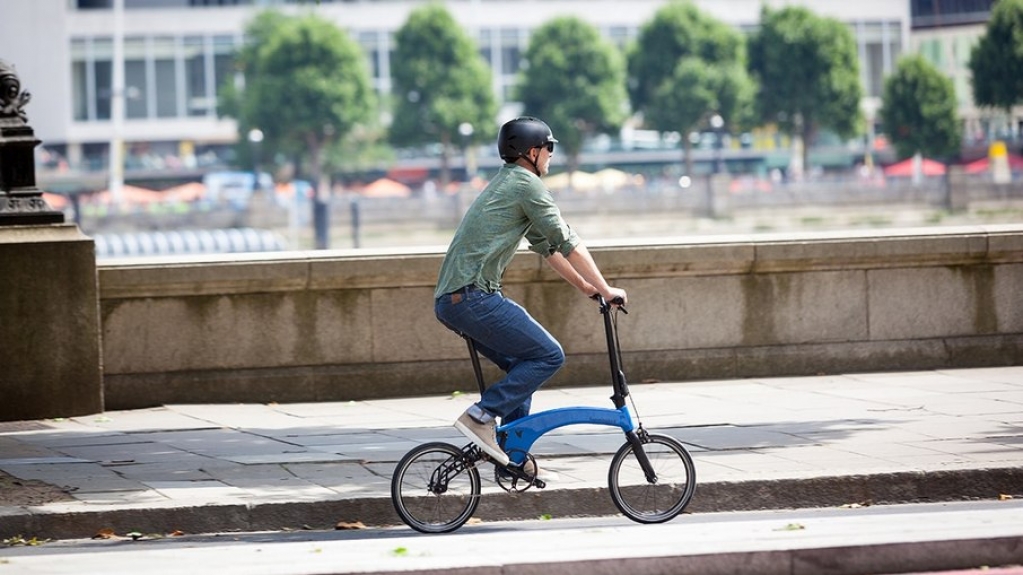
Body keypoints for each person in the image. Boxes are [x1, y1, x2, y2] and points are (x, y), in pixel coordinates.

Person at [434, 116, 628, 478]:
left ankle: (511, 459)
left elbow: (546, 246)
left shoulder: (508, 182)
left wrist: (585, 288)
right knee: (548, 355)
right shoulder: (527, 185)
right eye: (549, 148)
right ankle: (480, 416)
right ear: (533, 152)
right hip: (473, 296)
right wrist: (606, 288)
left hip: (455, 300)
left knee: (523, 365)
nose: (551, 156)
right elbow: (567, 241)